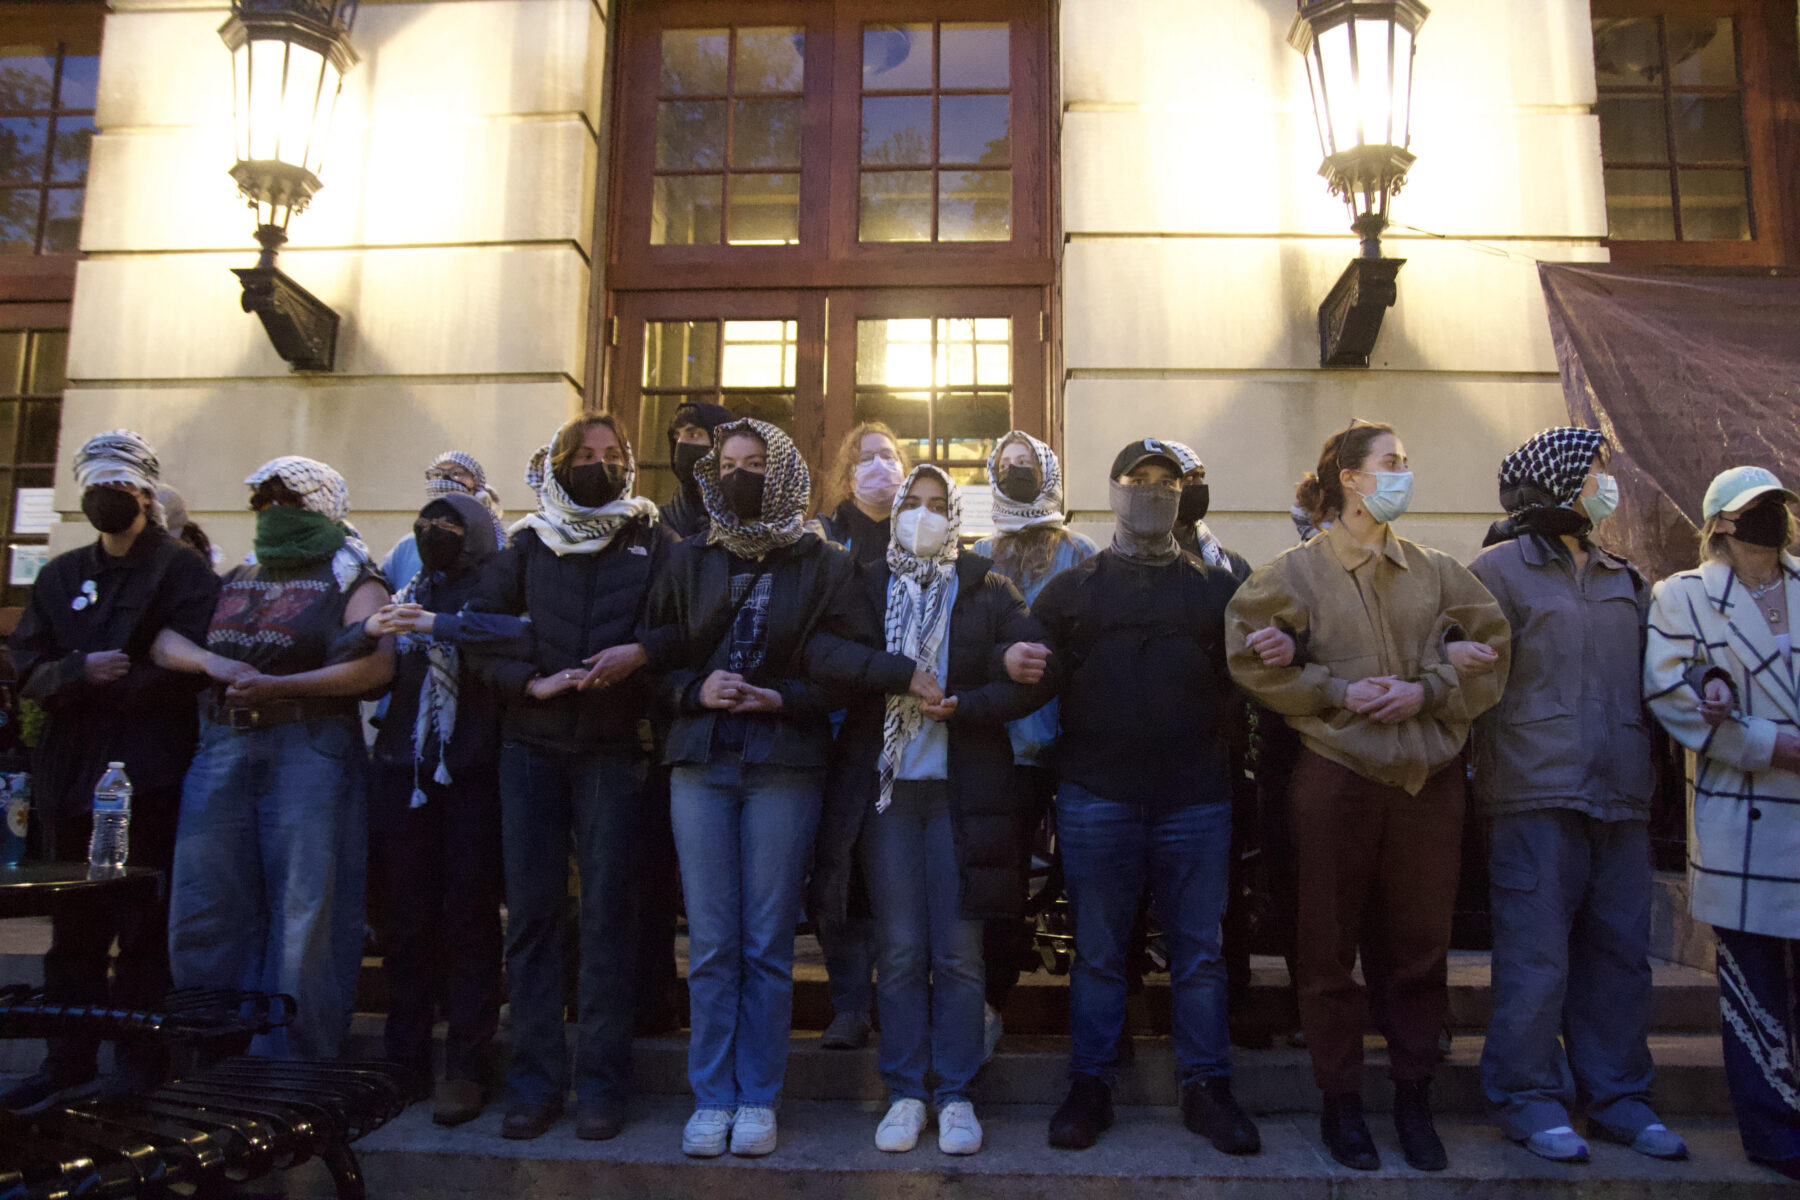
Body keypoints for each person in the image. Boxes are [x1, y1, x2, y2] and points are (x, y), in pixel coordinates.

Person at [1226, 421, 1510, 1173]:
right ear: (1350, 479)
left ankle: (1414, 1101)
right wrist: (1338, 688)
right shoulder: (1294, 574)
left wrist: (1426, 689)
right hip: (1336, 777)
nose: (1402, 474)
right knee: (1326, 951)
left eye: (1405, 463)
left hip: (1427, 784)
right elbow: (1246, 657)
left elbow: (1494, 651)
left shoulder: (1437, 571)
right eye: (1391, 463)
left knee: (1419, 949)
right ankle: (1341, 1104)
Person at [643, 417, 895, 1160]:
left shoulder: (824, 564)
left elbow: (847, 668)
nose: (738, 474)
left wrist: (780, 698)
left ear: (783, 470)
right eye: (728, 463)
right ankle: (710, 1094)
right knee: (714, 942)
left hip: (784, 765)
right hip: (702, 765)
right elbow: (655, 662)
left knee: (765, 943)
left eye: (756, 462)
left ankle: (758, 1095)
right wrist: (696, 689)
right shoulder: (689, 561)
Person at [1002, 439, 1260, 1158]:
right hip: (1097, 796)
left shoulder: (1218, 588)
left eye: (1165, 481)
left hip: (1196, 800)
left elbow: (1258, 676)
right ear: (1113, 490)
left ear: (1183, 494)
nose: (1151, 491)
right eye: (1136, 479)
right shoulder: (1074, 588)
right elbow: (1027, 669)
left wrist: (1282, 653)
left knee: (1200, 954)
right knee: (1099, 954)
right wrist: (1007, 665)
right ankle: (1091, 1083)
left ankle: (1207, 1085)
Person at [812, 464, 1046, 1156]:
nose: (921, 514)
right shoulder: (862, 580)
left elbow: (1029, 666)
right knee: (903, 950)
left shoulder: (984, 586)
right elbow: (824, 651)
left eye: (936, 504)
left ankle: (957, 1092)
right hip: (885, 796)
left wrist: (972, 699)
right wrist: (899, 674)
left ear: (956, 514)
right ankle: (906, 1091)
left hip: (959, 794)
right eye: (911, 504)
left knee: (959, 952)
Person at [1468, 428, 1686, 1164]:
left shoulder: (1626, 576)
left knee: (1621, 955)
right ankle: (1528, 1096)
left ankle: (1619, 1094)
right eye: (1594, 468)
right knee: (1536, 958)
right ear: (1557, 479)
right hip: (1533, 792)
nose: (1605, 480)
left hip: (1622, 793)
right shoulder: (1496, 571)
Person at [462, 414, 679, 1142]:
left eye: (613, 455)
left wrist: (640, 655)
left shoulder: (654, 542)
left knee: (610, 920)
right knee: (531, 919)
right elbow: (479, 633)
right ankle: (533, 1084)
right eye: (584, 455)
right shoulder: (526, 543)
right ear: (557, 465)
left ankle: (602, 1087)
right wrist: (530, 683)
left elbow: (688, 625)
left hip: (615, 750)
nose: (600, 466)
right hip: (531, 748)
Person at [0, 432, 220, 1109]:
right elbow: (26, 664)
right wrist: (78, 671)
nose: (106, 497)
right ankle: (68, 1059)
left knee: (142, 923)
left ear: (145, 495)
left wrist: (117, 684)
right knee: (75, 928)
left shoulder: (182, 573)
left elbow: (186, 667)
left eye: (118, 487)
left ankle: (137, 1058)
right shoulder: (61, 574)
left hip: (150, 774)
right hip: (71, 774)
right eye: (94, 483)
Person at [156, 456, 394, 1061]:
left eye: (287, 500)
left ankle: (292, 1068)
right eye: (263, 501)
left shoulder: (354, 578)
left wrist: (285, 687)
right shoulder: (238, 573)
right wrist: (212, 664)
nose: (272, 512)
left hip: (306, 747)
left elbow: (375, 665)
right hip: (223, 745)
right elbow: (162, 640)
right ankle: (211, 1053)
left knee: (305, 915)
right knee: (205, 905)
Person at [1644, 465, 1800, 1182]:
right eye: (1757, 509)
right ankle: (1773, 1133)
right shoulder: (1682, 597)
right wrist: (1772, 746)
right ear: (1723, 523)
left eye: (1779, 505)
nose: (1774, 518)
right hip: (1744, 818)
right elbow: (1672, 696)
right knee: (1752, 988)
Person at [362, 492, 518, 1126]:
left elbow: (520, 635)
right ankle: (403, 1059)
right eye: (423, 522)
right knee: (406, 921)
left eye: (450, 524)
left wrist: (440, 627)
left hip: (472, 774)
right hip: (405, 769)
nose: (434, 532)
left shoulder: (498, 586)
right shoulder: (412, 586)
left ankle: (466, 1065)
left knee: (469, 920)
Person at [970, 431, 1098, 1037]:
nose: (1017, 471)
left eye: (1028, 463)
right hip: (1002, 748)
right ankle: (993, 1000)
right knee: (1003, 878)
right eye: (1006, 464)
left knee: (1090, 876)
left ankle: (1096, 1012)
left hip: (1076, 742)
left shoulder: (1085, 553)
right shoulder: (974, 557)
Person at [808, 422, 910, 1050]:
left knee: (897, 869)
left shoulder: (926, 531)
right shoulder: (822, 540)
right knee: (836, 868)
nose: (879, 468)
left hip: (910, 722)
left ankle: (898, 998)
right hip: (838, 726)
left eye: (889, 457)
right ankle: (849, 1000)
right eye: (866, 459)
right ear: (847, 475)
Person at [380, 452, 501, 588]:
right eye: (437, 474)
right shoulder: (406, 547)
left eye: (457, 473)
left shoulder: (494, 544)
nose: (444, 478)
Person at [659, 402, 736, 540]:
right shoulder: (663, 521)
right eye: (677, 436)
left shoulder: (748, 521)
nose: (681, 444)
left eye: (693, 434)